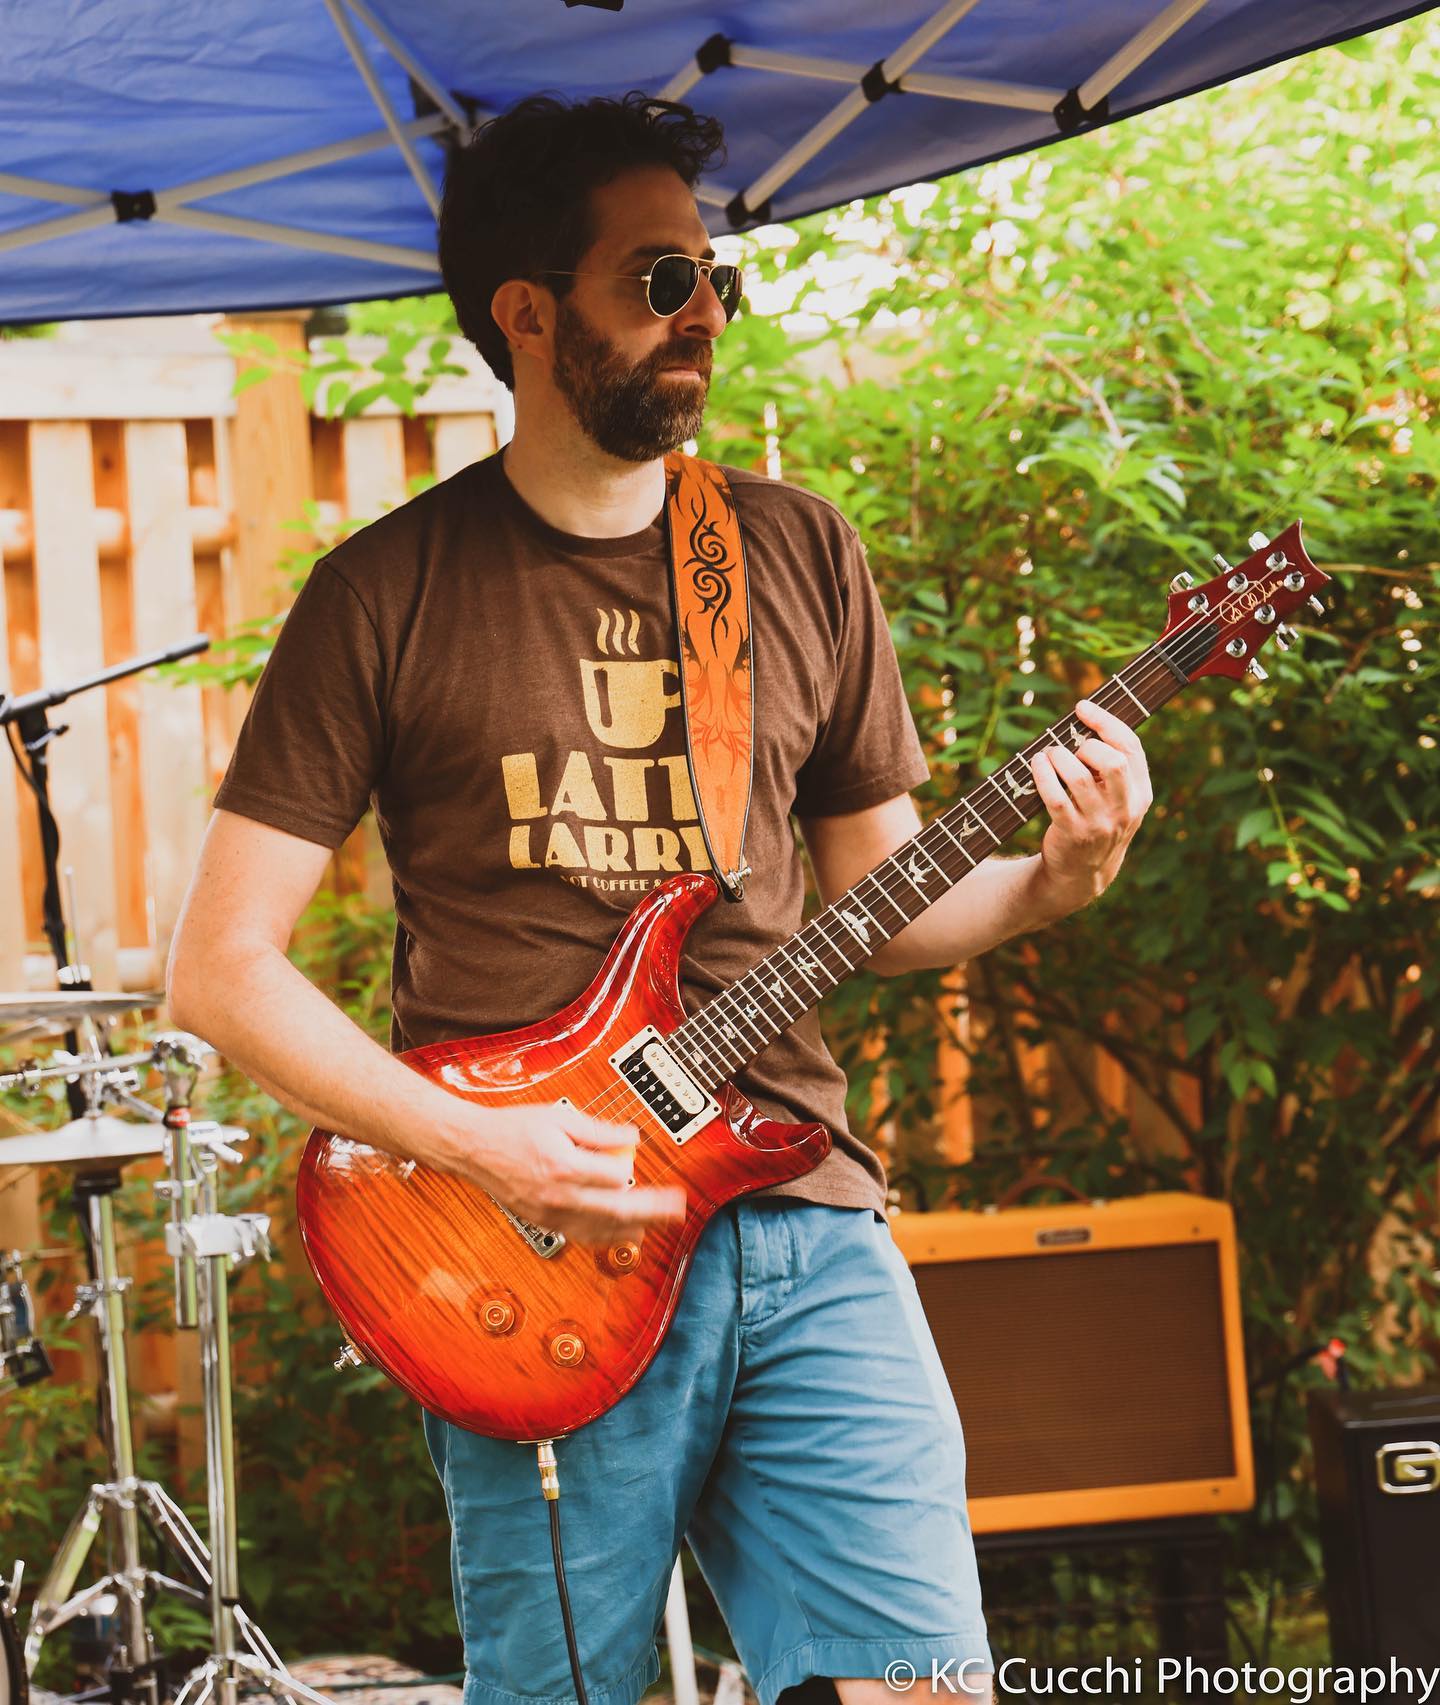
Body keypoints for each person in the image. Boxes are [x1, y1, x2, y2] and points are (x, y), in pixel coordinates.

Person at [167, 93, 1152, 1705]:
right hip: (530, 1250)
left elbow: (876, 902)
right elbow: (218, 970)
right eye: (660, 282)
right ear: (530, 314)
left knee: (927, 1686)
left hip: (803, 1211)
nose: (706, 316)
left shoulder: (797, 553)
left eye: (714, 280)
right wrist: (474, 1140)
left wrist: (1054, 879)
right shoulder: (385, 597)